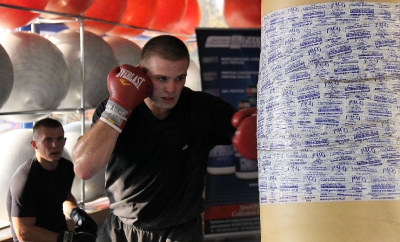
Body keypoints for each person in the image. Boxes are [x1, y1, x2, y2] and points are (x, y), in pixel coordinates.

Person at [72, 35, 256, 241]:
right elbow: (83, 168)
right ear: (141, 72)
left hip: (178, 232)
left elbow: (257, 137)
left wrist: (258, 131)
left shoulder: (203, 110)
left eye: (179, 78)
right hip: (121, 230)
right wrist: (118, 109)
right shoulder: (115, 107)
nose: (171, 88)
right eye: (162, 78)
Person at [7, 118, 98, 242]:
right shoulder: (25, 179)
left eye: (59, 139)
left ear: (65, 141)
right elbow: (23, 233)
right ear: (34, 144)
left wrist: (76, 213)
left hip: (58, 234)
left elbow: (64, 197)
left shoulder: (66, 168)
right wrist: (67, 239)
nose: (55, 145)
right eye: (48, 140)